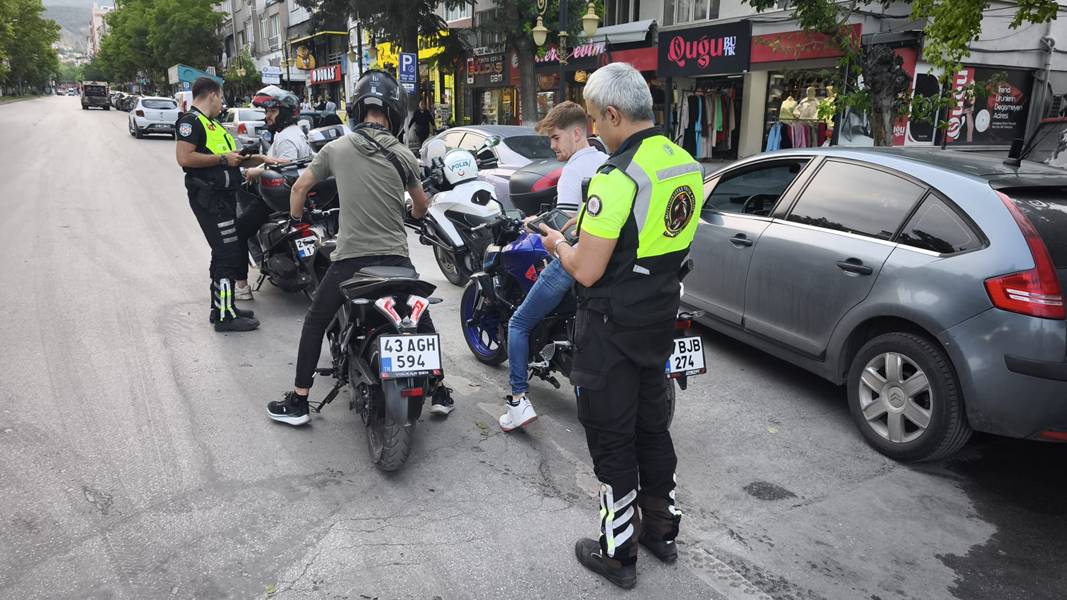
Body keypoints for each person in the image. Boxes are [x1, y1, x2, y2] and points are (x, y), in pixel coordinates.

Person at [536, 63, 703, 589]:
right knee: (652, 429)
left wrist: (557, 244)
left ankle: (617, 554)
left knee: (612, 438)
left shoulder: (616, 175)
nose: (592, 131)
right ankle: (662, 532)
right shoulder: (685, 165)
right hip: (658, 318)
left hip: (610, 327)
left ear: (612, 114)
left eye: (593, 120)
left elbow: (586, 268)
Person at [266, 70, 455, 426]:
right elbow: (421, 206)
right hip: (398, 261)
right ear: (394, 112)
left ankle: (299, 401)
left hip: (351, 261)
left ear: (356, 109)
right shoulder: (403, 154)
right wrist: (409, 213)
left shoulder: (335, 148)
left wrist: (295, 220)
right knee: (420, 318)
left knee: (315, 321)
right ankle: (441, 390)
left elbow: (299, 189)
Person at [499, 101, 606, 432]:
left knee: (518, 323)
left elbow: (569, 230)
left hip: (572, 262)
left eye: (556, 138)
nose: (553, 146)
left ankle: (518, 401)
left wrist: (540, 226)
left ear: (577, 133)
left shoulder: (573, 171)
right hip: (604, 263)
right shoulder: (606, 163)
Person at [175, 77, 287, 332]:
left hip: (224, 198)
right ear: (212, 94)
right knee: (228, 253)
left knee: (222, 252)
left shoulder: (213, 125)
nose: (222, 103)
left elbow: (232, 159)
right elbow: (184, 157)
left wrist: (261, 159)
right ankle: (226, 316)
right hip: (210, 200)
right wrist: (223, 159)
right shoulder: (191, 122)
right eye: (221, 98)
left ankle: (221, 308)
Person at [238, 85, 313, 284]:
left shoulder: (286, 138)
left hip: (280, 196)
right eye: (267, 111)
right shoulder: (294, 132)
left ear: (285, 113)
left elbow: (287, 170)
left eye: (272, 111)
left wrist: (256, 171)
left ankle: (241, 285)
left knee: (240, 231)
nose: (268, 116)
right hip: (296, 195)